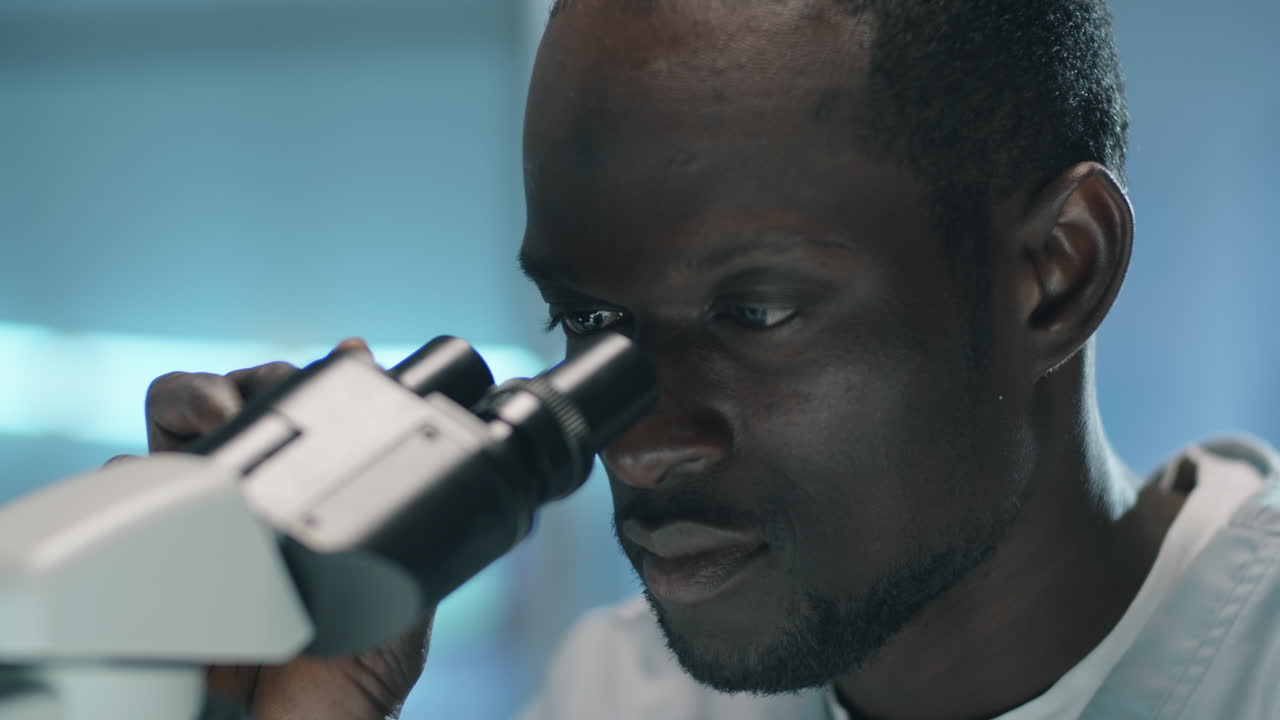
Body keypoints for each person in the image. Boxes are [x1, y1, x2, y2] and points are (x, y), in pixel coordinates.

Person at [142, 1, 1280, 718]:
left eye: (752, 313)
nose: (635, 449)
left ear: (1059, 272)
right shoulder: (614, 695)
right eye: (585, 321)